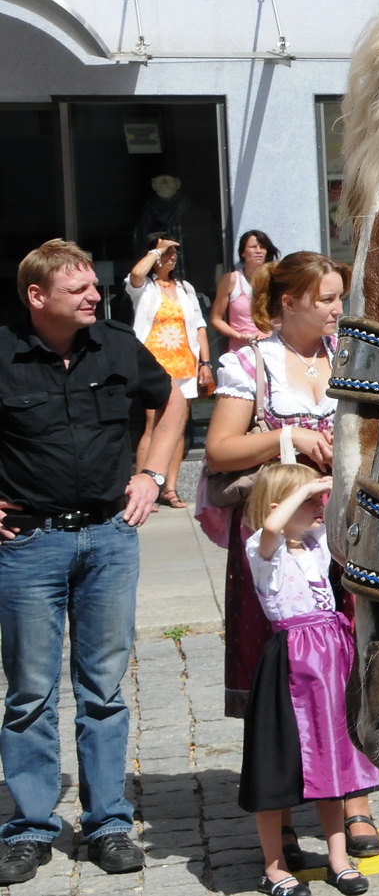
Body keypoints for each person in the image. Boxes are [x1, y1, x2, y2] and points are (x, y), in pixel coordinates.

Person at [0, 239, 189, 885]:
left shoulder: (114, 344)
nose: (93, 293)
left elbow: (174, 401)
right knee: (29, 693)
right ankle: (29, 828)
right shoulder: (3, 351)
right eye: (78, 286)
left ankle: (108, 820)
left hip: (110, 537)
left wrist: (151, 472)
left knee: (103, 689)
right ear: (37, 296)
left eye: (93, 284)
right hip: (29, 544)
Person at [202, 252, 379, 863]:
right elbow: (222, 450)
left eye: (340, 298)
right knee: (275, 674)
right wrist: (291, 439)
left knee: (348, 665)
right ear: (289, 302)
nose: (339, 309)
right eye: (328, 299)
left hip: (346, 536)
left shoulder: (350, 361)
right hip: (277, 542)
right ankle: (278, 813)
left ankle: (355, 801)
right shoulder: (248, 363)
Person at [240, 465, 379, 896]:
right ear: (282, 506)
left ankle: (337, 858)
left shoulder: (318, 542)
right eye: (309, 502)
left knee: (334, 759)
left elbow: (347, 518)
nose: (319, 506)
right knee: (277, 762)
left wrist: (329, 489)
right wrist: (303, 487)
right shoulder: (264, 550)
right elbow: (270, 525)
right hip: (293, 664)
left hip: (332, 658)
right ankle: (274, 866)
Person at [126, 233, 212, 508]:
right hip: (154, 364)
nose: (171, 255)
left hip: (184, 362)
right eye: (166, 251)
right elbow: (137, 273)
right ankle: (142, 486)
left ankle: (169, 488)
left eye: (175, 251)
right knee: (152, 425)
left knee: (177, 426)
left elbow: (199, 327)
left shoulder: (185, 287)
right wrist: (157, 249)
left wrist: (206, 364)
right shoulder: (144, 287)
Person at [212, 230, 278, 350]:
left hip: (271, 347)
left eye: (262, 247)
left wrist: (270, 331)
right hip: (240, 349)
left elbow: (287, 315)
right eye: (253, 247)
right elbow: (216, 319)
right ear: (243, 253)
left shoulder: (275, 280)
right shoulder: (231, 279)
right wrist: (238, 336)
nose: (258, 251)